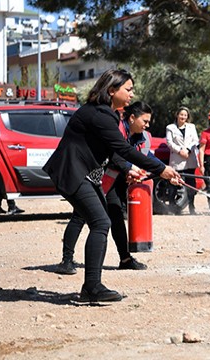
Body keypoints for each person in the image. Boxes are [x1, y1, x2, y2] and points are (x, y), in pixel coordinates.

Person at [43, 69, 181, 302]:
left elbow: (112, 151)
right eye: (128, 89)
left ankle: (92, 286)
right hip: (73, 173)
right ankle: (92, 287)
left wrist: (131, 168)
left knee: (102, 221)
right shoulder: (101, 115)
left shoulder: (106, 114)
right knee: (100, 222)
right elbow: (124, 149)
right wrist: (161, 169)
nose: (131, 93)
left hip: (84, 173)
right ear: (111, 90)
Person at [54, 101, 158, 276]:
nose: (147, 125)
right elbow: (115, 155)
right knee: (80, 217)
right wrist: (130, 168)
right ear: (132, 118)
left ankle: (125, 259)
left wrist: (164, 170)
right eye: (145, 121)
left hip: (112, 181)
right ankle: (66, 260)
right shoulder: (115, 127)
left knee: (116, 215)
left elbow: (143, 157)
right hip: (94, 177)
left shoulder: (138, 135)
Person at [165, 106, 199, 215]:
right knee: (174, 183)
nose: (183, 117)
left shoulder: (191, 127)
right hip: (177, 158)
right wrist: (180, 151)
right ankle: (171, 206)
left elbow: (195, 140)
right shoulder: (170, 127)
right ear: (177, 115)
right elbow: (169, 142)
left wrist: (188, 150)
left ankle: (191, 206)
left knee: (191, 184)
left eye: (185, 115)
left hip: (189, 158)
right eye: (181, 114)